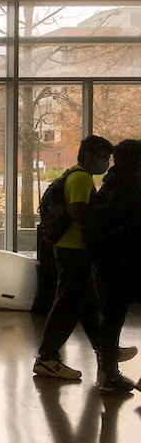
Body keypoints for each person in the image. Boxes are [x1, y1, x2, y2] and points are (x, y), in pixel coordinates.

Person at [33, 135, 113, 381]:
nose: (105, 163)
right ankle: (47, 357)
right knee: (67, 305)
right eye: (103, 157)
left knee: (87, 305)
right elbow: (77, 211)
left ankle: (105, 350)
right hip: (73, 248)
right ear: (89, 156)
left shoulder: (73, 174)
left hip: (71, 248)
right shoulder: (80, 178)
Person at [83, 139, 141, 393]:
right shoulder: (133, 189)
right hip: (130, 263)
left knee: (111, 319)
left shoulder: (108, 187)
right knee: (113, 318)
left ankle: (108, 371)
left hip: (108, 264)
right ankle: (111, 373)